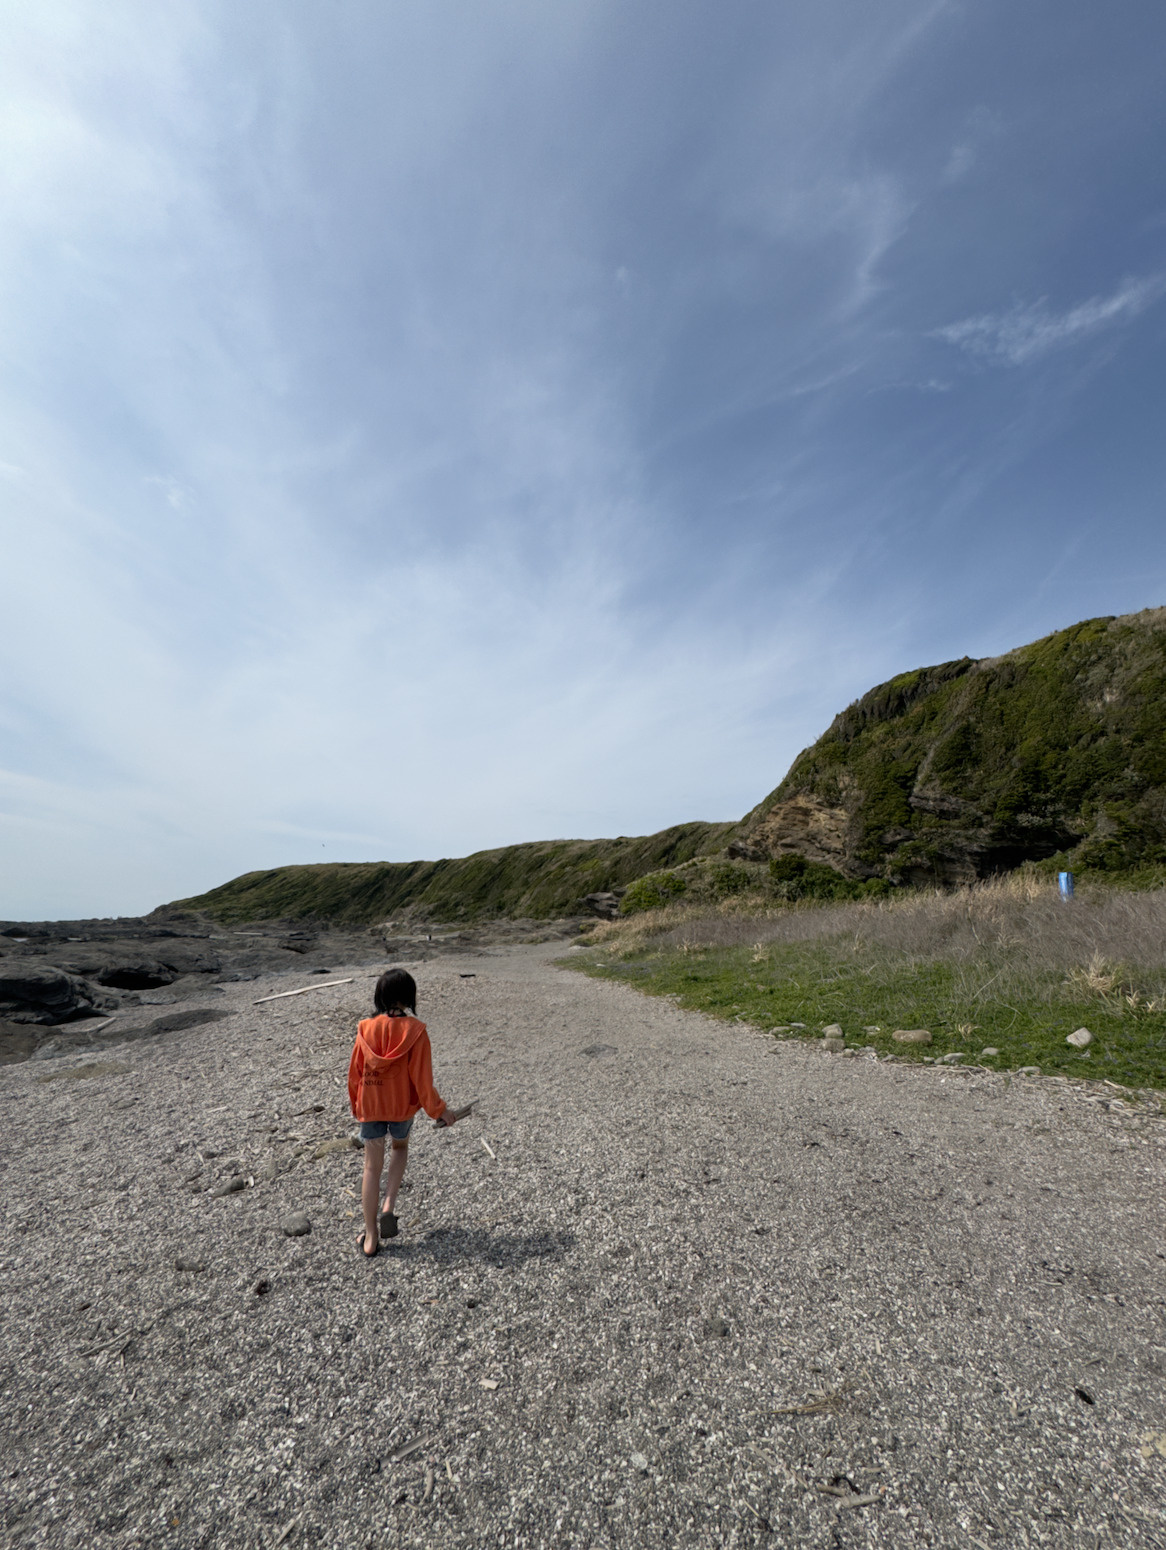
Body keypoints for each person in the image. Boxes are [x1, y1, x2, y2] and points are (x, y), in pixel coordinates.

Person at [347, 967, 458, 1258]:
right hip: (400, 1108)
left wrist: (358, 1107)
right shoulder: (416, 1032)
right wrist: (440, 1111)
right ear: (409, 996)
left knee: (371, 1168)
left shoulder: (365, 1029)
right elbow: (423, 1082)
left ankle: (370, 1238)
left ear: (380, 996)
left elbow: (355, 1075)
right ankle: (389, 1206)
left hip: (370, 1106)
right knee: (400, 1147)